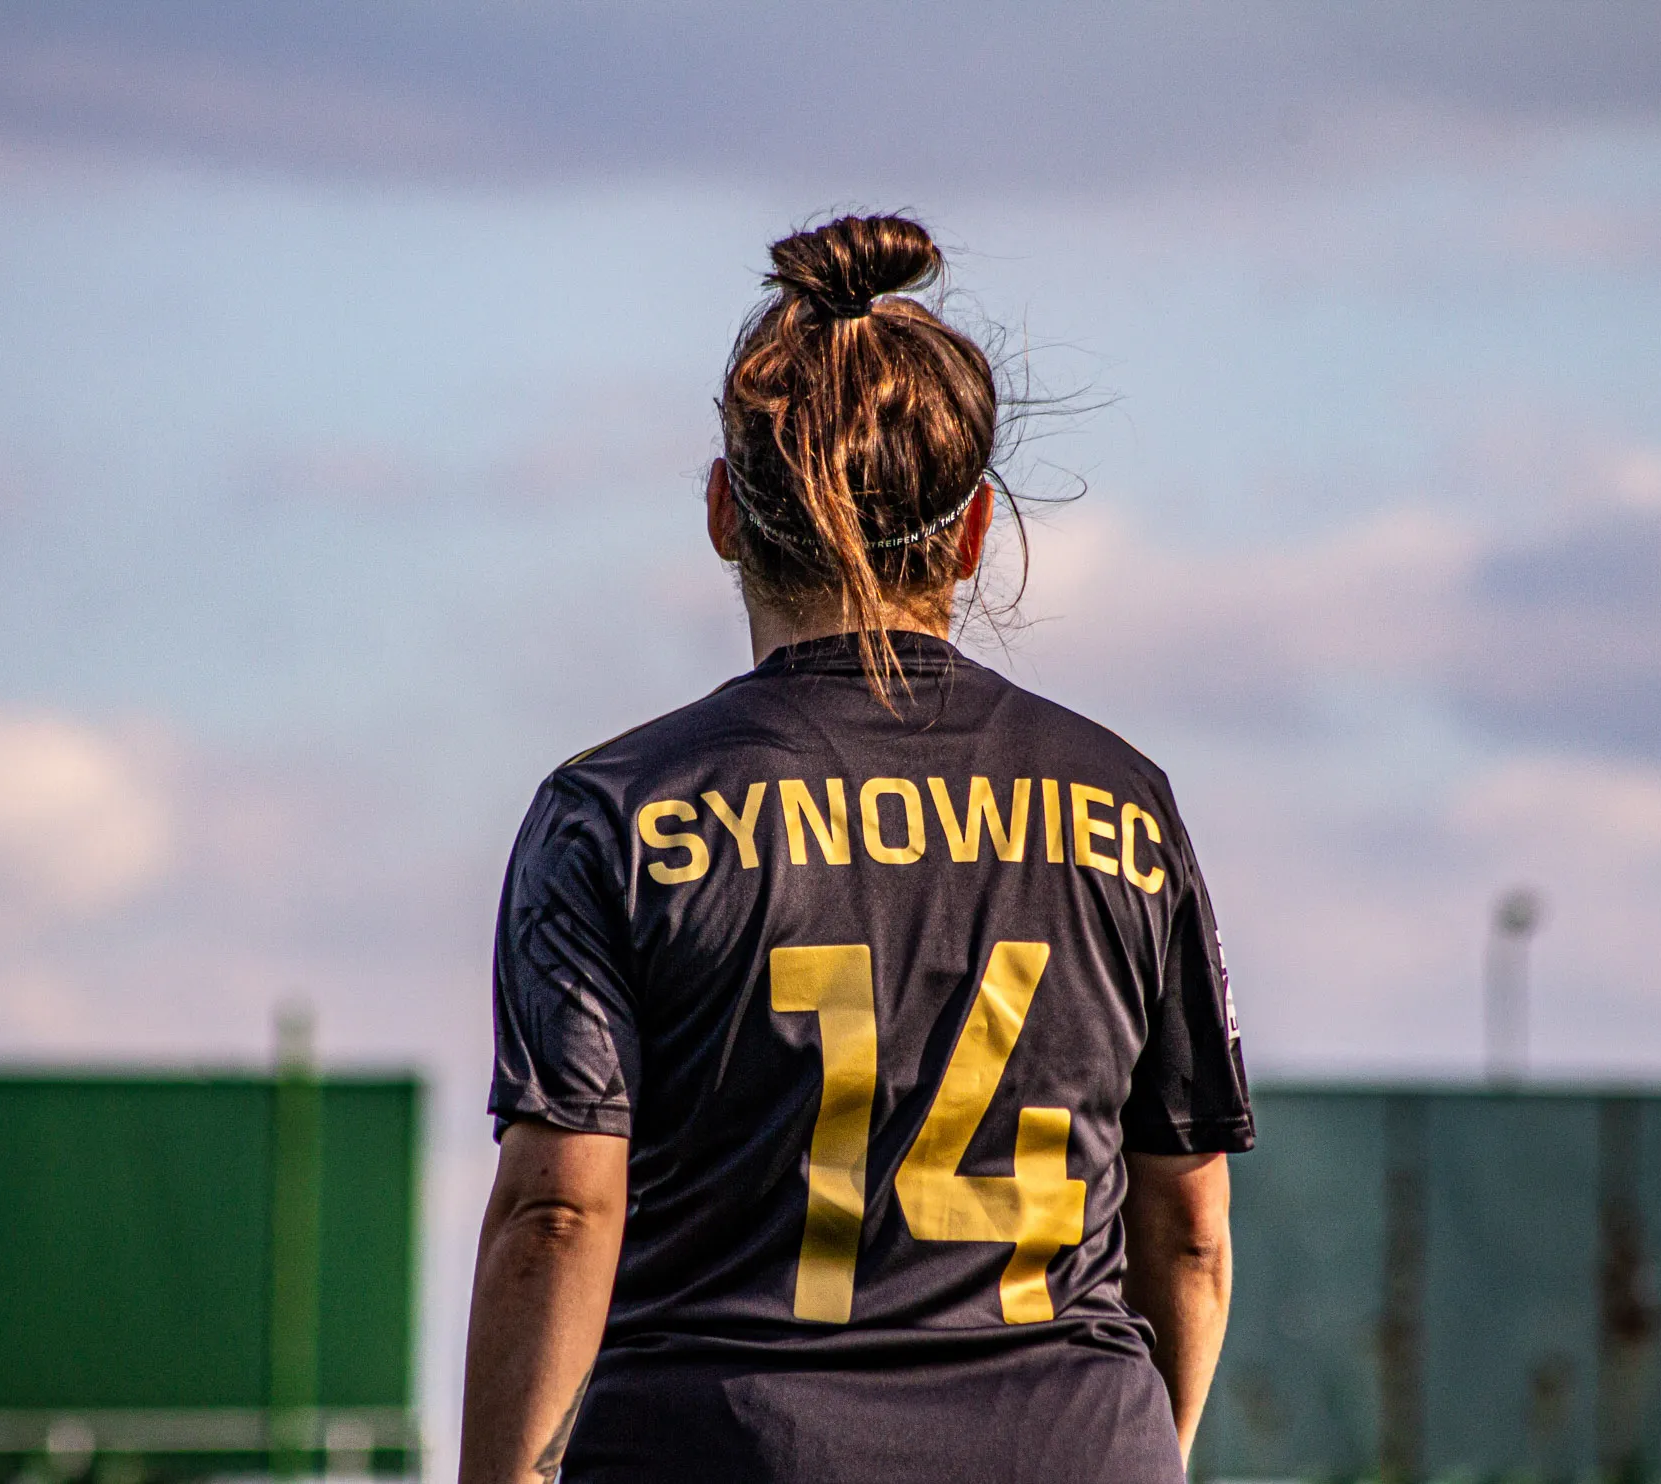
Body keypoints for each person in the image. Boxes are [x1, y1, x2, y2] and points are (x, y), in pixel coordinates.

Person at [460, 214, 1253, 1484]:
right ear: (975, 531)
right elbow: (1192, 1223)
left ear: (724, 511)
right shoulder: (1127, 807)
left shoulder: (615, 813)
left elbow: (559, 1207)